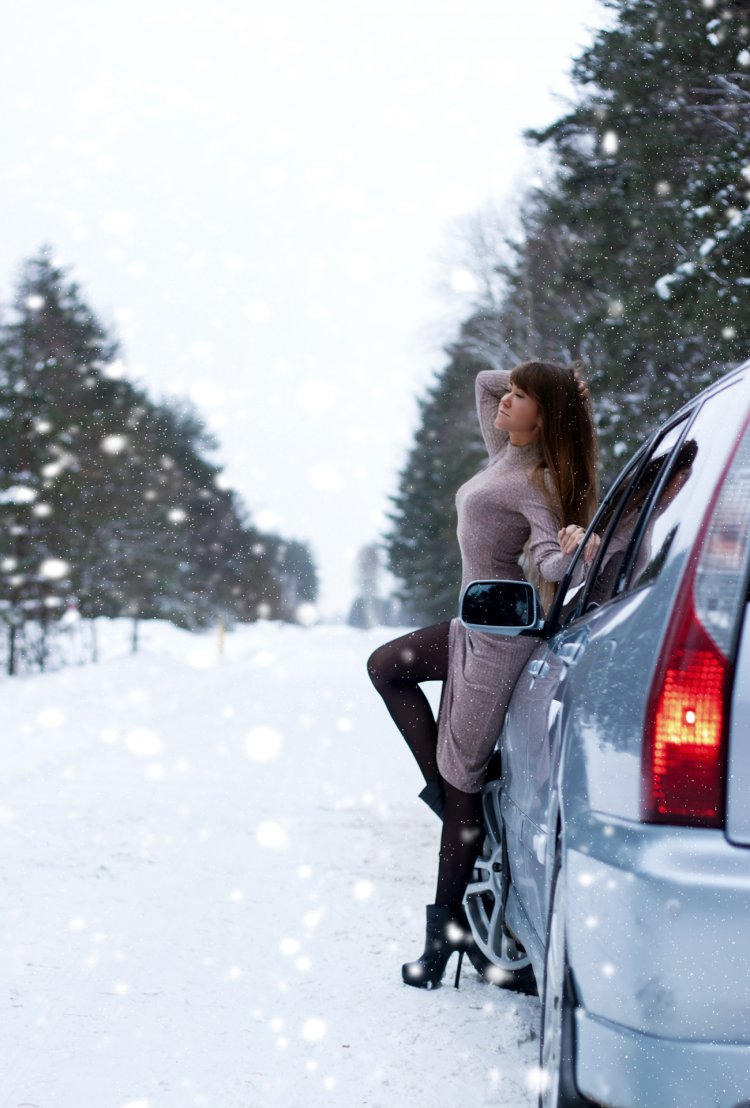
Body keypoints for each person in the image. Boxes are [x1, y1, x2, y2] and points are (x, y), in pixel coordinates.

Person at [367, 361, 599, 989]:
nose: (506, 401)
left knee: (463, 780)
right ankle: (455, 803)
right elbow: (484, 384)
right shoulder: (507, 451)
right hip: (472, 623)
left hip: (499, 640)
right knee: (386, 667)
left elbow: (553, 561)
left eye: (522, 398)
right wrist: (555, 384)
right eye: (513, 394)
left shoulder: (541, 480)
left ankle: (445, 942)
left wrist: (580, 548)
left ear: (541, 418)